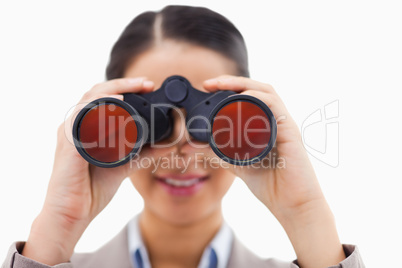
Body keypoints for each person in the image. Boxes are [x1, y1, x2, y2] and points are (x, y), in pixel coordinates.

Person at [2, 5, 364, 268]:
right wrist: (59, 224)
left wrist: (305, 214)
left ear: (256, 122)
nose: (181, 147)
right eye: (152, 122)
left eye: (213, 122)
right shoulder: (48, 260)